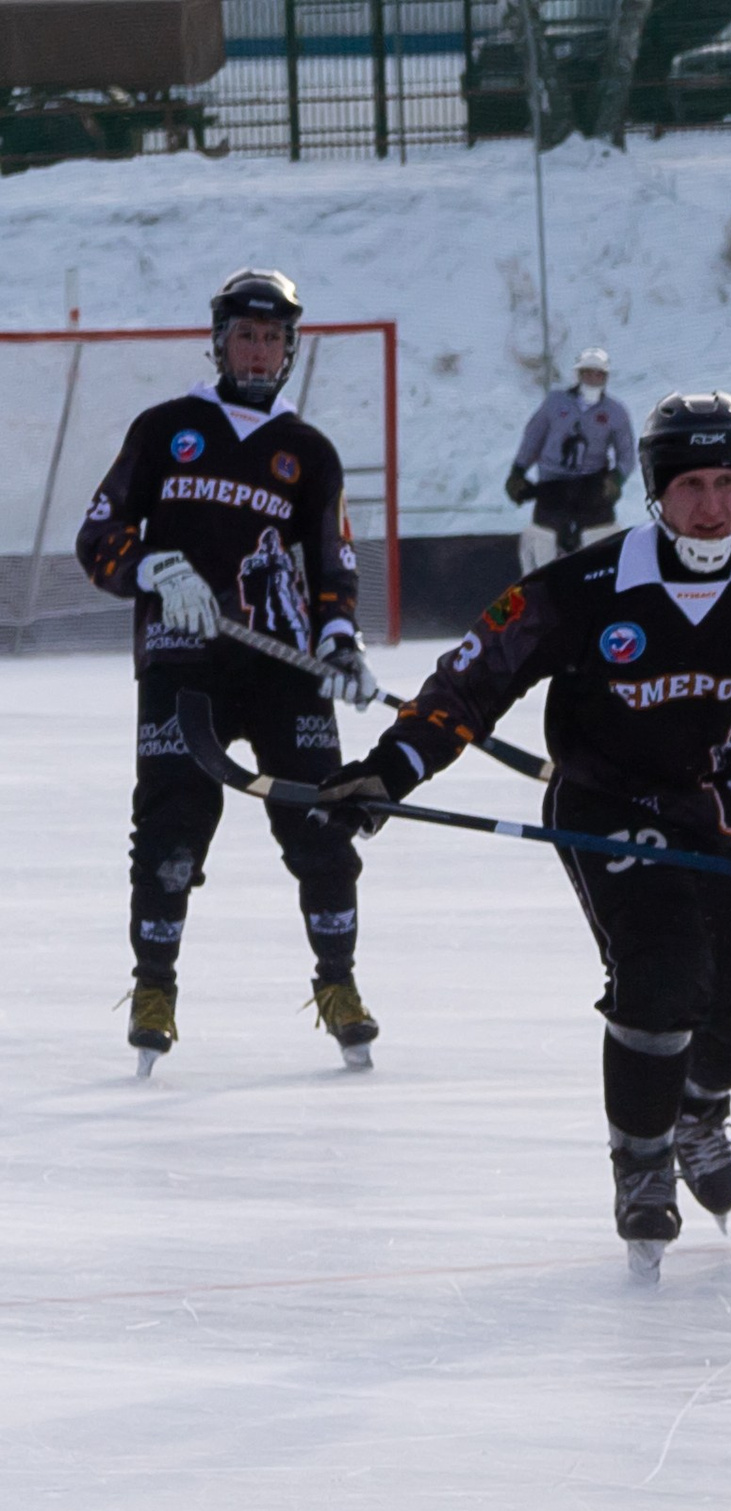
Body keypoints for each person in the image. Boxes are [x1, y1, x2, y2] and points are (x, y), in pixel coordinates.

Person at [318, 393, 731, 1277]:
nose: (709, 505)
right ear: (655, 491)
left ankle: (697, 1106)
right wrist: (394, 768)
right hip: (611, 807)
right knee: (661, 972)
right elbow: (477, 675)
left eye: (727, 484)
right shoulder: (590, 584)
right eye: (690, 485)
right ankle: (641, 1165)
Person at [74, 266, 382, 1078]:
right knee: (171, 832)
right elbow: (99, 534)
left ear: (288, 350)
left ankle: (339, 984)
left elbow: (333, 561)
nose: (256, 349)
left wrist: (341, 640)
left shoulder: (307, 452)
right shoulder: (166, 427)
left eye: (271, 337)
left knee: (322, 825)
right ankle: (153, 988)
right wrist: (153, 571)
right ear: (218, 342)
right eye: (244, 334)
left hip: (283, 670)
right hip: (184, 664)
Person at [507, 347, 636, 575]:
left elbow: (626, 454)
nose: (592, 379)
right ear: (579, 374)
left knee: (600, 543)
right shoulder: (555, 403)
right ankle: (541, 584)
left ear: (605, 378)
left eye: (598, 374)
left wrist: (616, 479)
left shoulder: (615, 412)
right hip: (553, 484)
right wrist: (518, 471)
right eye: (587, 373)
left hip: (592, 486)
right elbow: (533, 437)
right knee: (545, 540)